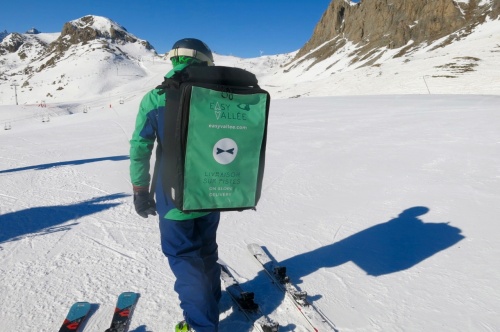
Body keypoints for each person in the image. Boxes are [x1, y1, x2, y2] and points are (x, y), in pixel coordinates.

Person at [129, 38, 220, 332]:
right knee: (206, 250)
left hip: (174, 199)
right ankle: (210, 304)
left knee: (185, 260)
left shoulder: (156, 98)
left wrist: (140, 191)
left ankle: (201, 324)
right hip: (213, 192)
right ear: (205, 61)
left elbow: (140, 147)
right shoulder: (219, 95)